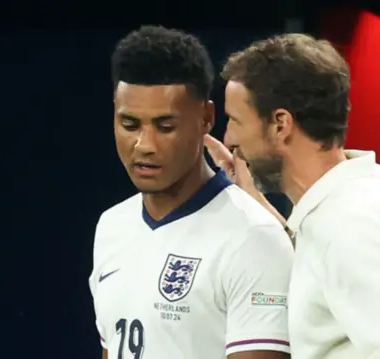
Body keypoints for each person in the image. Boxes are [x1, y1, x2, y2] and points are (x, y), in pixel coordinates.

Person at [206, 33, 380, 359]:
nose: (229, 138)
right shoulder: (376, 184)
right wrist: (253, 196)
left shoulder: (345, 224)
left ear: (281, 124)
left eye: (235, 121)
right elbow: (328, 264)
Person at [87, 26, 294, 359]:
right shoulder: (112, 226)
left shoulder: (254, 238)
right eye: (129, 124)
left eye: (165, 126)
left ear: (206, 118)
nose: (144, 145)